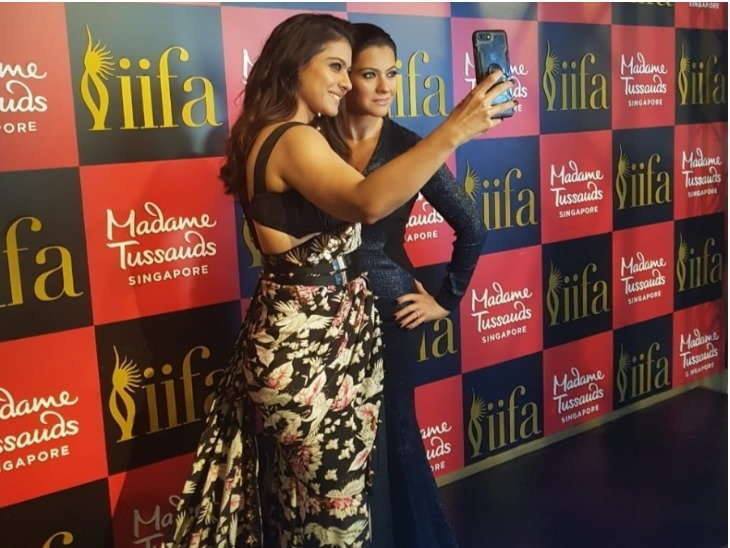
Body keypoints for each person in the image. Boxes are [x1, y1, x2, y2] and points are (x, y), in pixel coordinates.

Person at [165, 13, 515, 548]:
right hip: (308, 358)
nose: (347, 83)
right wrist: (455, 129)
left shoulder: (276, 134)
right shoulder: (295, 140)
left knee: (301, 509)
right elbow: (366, 202)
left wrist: (443, 298)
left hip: (311, 345)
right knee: (336, 518)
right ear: (294, 66)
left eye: (355, 70)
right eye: (336, 67)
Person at [321, 23, 498, 548]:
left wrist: (445, 300)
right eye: (368, 74)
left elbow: (473, 227)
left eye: (392, 74)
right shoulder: (311, 141)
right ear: (343, 78)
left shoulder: (407, 146)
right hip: (321, 314)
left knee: (395, 434)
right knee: (330, 442)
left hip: (390, 311)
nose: (385, 87)